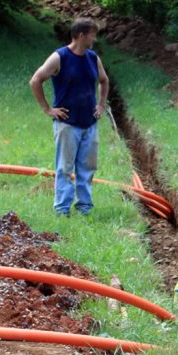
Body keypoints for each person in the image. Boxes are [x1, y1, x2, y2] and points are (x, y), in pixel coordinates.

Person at [29, 17, 110, 216]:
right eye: (93, 35)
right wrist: (48, 109)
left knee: (87, 168)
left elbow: (104, 80)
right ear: (81, 35)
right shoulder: (60, 57)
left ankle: (84, 208)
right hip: (67, 124)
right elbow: (36, 80)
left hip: (89, 123)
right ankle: (62, 210)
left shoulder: (92, 57)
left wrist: (101, 104)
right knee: (65, 168)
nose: (95, 39)